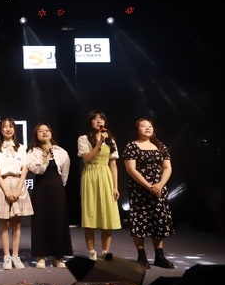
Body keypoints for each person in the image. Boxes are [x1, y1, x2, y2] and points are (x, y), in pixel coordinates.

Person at [121, 118, 176, 269]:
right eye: (143, 126)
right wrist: (148, 186)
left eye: (150, 126)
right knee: (140, 221)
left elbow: (167, 167)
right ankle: (141, 255)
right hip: (139, 189)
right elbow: (131, 169)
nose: (147, 128)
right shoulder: (132, 146)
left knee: (158, 220)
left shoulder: (160, 145)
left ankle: (159, 256)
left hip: (159, 189)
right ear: (136, 129)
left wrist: (160, 185)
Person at [0, 117, 33, 270]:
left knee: (17, 223)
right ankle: (6, 256)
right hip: (3, 184)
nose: (8, 129)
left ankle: (15, 256)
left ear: (14, 129)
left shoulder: (21, 148)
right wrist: (6, 190)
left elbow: (25, 168)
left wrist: (18, 188)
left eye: (11, 126)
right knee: (4, 223)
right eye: (5, 126)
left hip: (18, 183)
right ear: (0, 130)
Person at [26, 122, 73, 269]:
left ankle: (58, 257)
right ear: (36, 135)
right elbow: (38, 170)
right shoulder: (32, 152)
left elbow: (64, 174)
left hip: (57, 189)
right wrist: (45, 154)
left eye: (47, 130)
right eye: (41, 131)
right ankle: (41, 256)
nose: (44, 133)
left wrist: (59, 186)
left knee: (58, 221)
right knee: (40, 221)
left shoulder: (61, 151)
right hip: (40, 190)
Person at [77, 110, 122, 260]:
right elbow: (88, 158)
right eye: (95, 119)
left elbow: (113, 165)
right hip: (90, 175)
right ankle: (91, 252)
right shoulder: (83, 139)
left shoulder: (111, 140)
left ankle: (105, 252)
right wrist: (99, 143)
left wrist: (115, 186)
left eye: (101, 118)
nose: (99, 121)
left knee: (107, 217)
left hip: (106, 176)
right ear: (90, 122)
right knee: (90, 215)